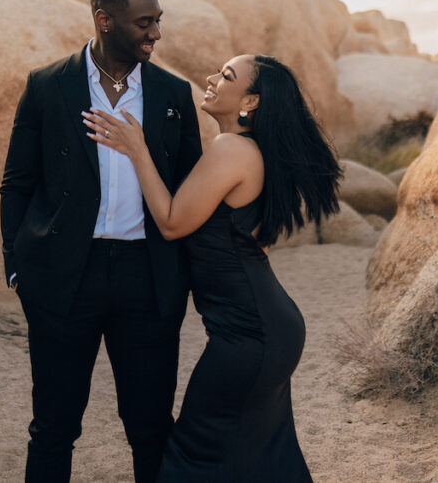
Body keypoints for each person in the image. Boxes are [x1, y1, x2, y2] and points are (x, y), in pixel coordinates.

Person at [82, 53, 342, 482]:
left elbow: (171, 222)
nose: (211, 78)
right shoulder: (247, 150)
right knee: (260, 457)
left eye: (226, 76)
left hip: (250, 335)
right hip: (265, 327)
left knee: (194, 453)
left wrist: (136, 150)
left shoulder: (232, 149)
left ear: (251, 101)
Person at [0, 0, 202, 482]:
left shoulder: (173, 96)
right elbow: (17, 184)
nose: (156, 33)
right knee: (54, 425)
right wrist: (17, 268)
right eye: (144, 22)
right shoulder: (48, 86)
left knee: (150, 424)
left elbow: (189, 192)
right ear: (104, 20)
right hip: (65, 276)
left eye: (158, 21)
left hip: (148, 279)